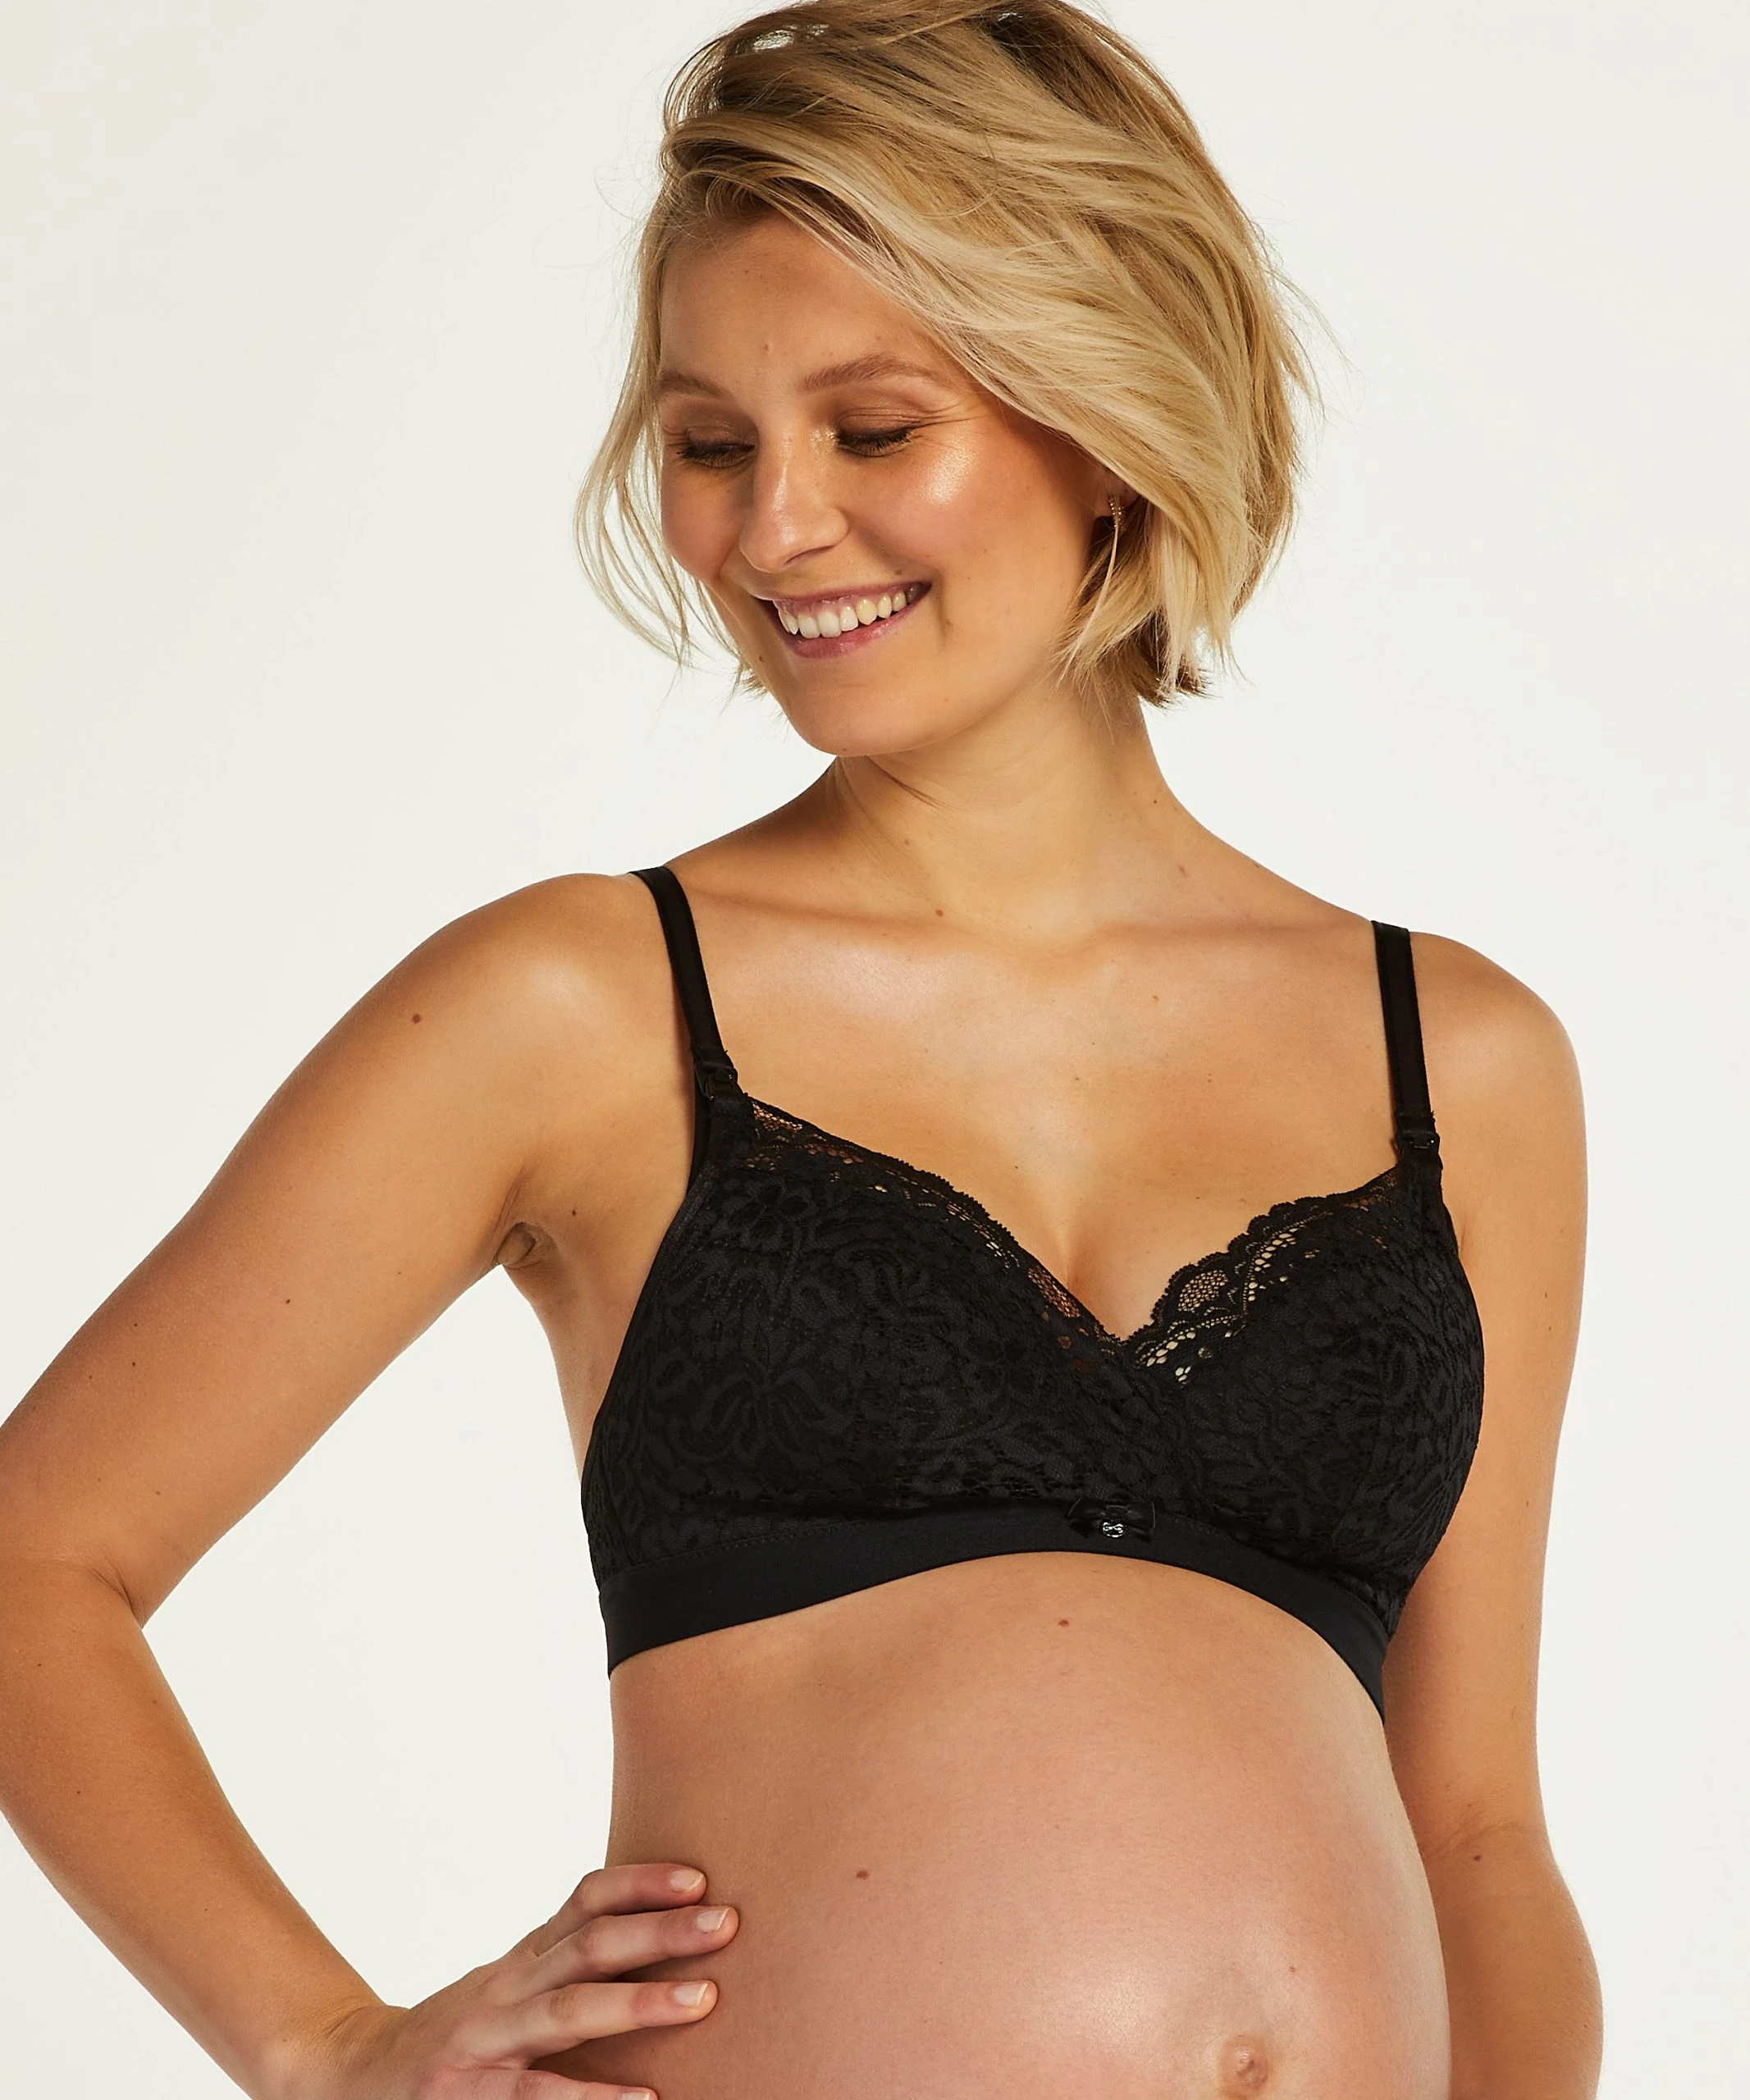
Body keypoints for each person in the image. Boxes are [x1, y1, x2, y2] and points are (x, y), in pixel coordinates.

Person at [0, 2, 1603, 2094]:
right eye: (707, 443)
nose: (771, 532)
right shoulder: (579, 1005)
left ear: (1107, 412)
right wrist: (324, 2043)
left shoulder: (1458, 1060)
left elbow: (1475, 1827)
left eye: (869, 429)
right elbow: (39, 1557)